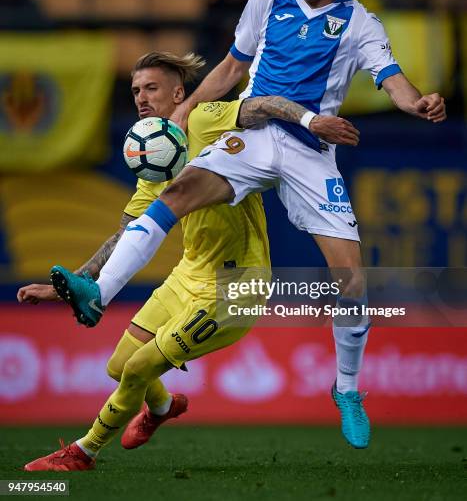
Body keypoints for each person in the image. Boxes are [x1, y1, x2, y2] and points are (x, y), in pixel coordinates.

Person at [50, 0, 447, 451]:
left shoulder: (359, 24)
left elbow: (391, 80)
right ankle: (99, 292)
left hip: (311, 152)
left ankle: (347, 389)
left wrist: (418, 102)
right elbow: (232, 67)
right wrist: (185, 113)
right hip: (254, 134)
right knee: (177, 193)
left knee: (351, 275)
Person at [20, 50, 358, 471]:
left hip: (235, 286)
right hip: (189, 273)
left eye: (152, 88)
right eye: (135, 90)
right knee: (118, 366)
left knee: (140, 367)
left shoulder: (204, 119)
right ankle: (162, 408)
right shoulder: (152, 161)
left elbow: (263, 105)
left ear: (179, 92)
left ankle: (82, 451)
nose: (141, 98)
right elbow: (124, 234)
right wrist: (70, 282)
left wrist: (310, 121)